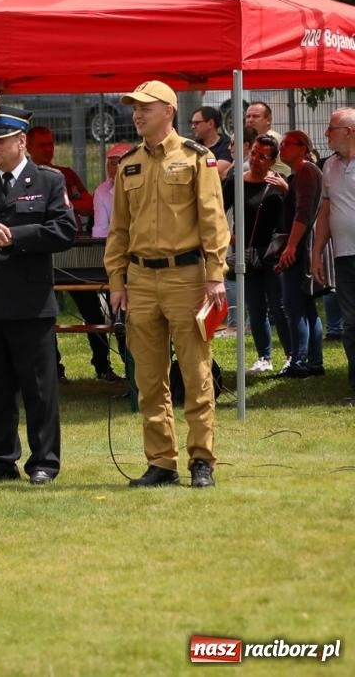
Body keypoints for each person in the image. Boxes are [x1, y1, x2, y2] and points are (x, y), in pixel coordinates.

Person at [105, 81, 229, 488]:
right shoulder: (129, 163)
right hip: (140, 280)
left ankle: (201, 460)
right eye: (134, 108)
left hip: (187, 278)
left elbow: (213, 221)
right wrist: (116, 279)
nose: (137, 114)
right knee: (149, 377)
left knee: (196, 372)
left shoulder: (197, 158)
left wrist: (215, 275)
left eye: (146, 107)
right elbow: (118, 229)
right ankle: (161, 462)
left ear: (169, 112)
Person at [0, 106, 77, 484]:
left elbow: (63, 230)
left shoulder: (48, 181)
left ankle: (44, 462)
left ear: (21, 141)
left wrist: (12, 235)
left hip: (31, 300)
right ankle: (1, 460)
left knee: (39, 387)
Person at [27, 124, 120, 383]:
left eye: (51, 143)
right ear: (28, 146)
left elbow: (88, 205)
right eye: (43, 144)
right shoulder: (26, 176)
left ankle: (103, 366)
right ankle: (53, 370)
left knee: (93, 313)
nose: (49, 149)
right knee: (44, 315)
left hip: (75, 251)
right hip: (43, 253)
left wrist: (61, 200)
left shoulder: (65, 174)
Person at [228, 135, 286, 376]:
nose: (255, 159)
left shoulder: (278, 185)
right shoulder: (235, 182)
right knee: (256, 307)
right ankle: (264, 357)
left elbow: (292, 217)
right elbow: (217, 212)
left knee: (279, 306)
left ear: (272, 161)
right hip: (247, 255)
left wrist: (287, 190)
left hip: (272, 255)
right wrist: (230, 239)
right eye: (253, 153)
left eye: (262, 156)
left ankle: (293, 355)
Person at [311, 107, 355, 403]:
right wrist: (316, 253)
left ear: (349, 132)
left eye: (332, 128)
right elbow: (326, 211)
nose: (326, 133)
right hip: (344, 256)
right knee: (351, 323)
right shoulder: (329, 167)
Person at [275, 129, 324, 378]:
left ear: (303, 148)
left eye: (287, 144)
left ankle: (300, 362)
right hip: (304, 248)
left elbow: (303, 213)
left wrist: (291, 246)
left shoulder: (305, 170)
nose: (281, 148)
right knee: (305, 306)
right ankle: (313, 362)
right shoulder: (303, 173)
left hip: (301, 249)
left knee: (294, 306)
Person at [92, 143, 135, 237]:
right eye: (113, 163)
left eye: (122, 163)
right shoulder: (101, 192)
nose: (117, 168)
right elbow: (100, 230)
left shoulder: (145, 186)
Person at [189, 106, 233, 179]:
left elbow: (217, 169)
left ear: (210, 123)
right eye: (192, 123)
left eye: (196, 123)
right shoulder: (193, 145)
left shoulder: (226, 144)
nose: (192, 127)